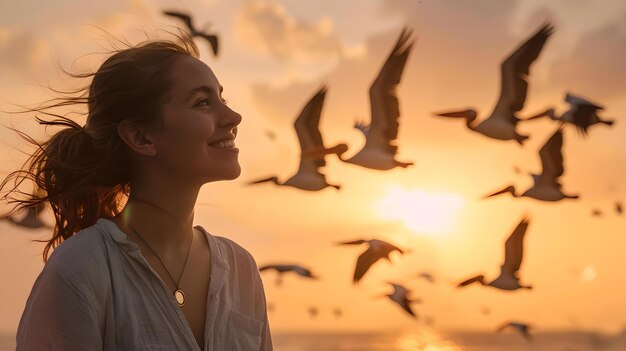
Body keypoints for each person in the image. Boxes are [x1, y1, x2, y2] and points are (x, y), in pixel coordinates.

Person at [4, 31, 273, 350]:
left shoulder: (241, 270)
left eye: (222, 99)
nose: (233, 117)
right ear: (140, 137)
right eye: (203, 102)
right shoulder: (82, 269)